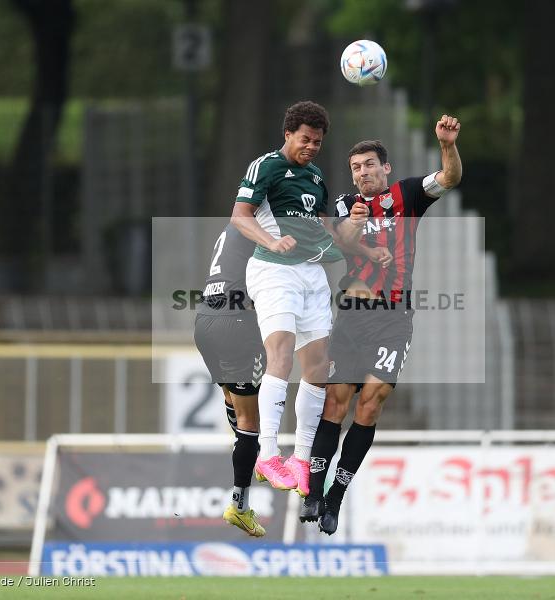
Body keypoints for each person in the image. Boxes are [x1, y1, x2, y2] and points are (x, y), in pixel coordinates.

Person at [300, 115, 462, 534]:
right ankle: (313, 493)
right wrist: (353, 223)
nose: (363, 173)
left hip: (393, 320)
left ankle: (335, 497)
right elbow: (336, 241)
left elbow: (449, 177)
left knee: (370, 404)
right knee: (336, 402)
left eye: (369, 164)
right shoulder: (342, 205)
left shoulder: (406, 195)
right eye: (356, 168)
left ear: (384, 168)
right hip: (352, 317)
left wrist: (446, 145)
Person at [231, 101, 368, 497]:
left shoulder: (316, 177)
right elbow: (240, 216)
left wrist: (357, 236)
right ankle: (268, 453)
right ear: (288, 133)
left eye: (318, 142)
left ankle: (301, 459)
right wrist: (272, 240)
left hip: (312, 274)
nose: (311, 147)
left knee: (317, 368)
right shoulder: (267, 166)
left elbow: (328, 233)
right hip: (273, 269)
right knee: (283, 354)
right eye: (305, 139)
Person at [193, 223, 267, 537]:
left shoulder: (231, 226)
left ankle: (248, 450)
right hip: (236, 322)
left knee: (233, 399)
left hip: (205, 321)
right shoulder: (262, 226)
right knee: (251, 420)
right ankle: (239, 505)